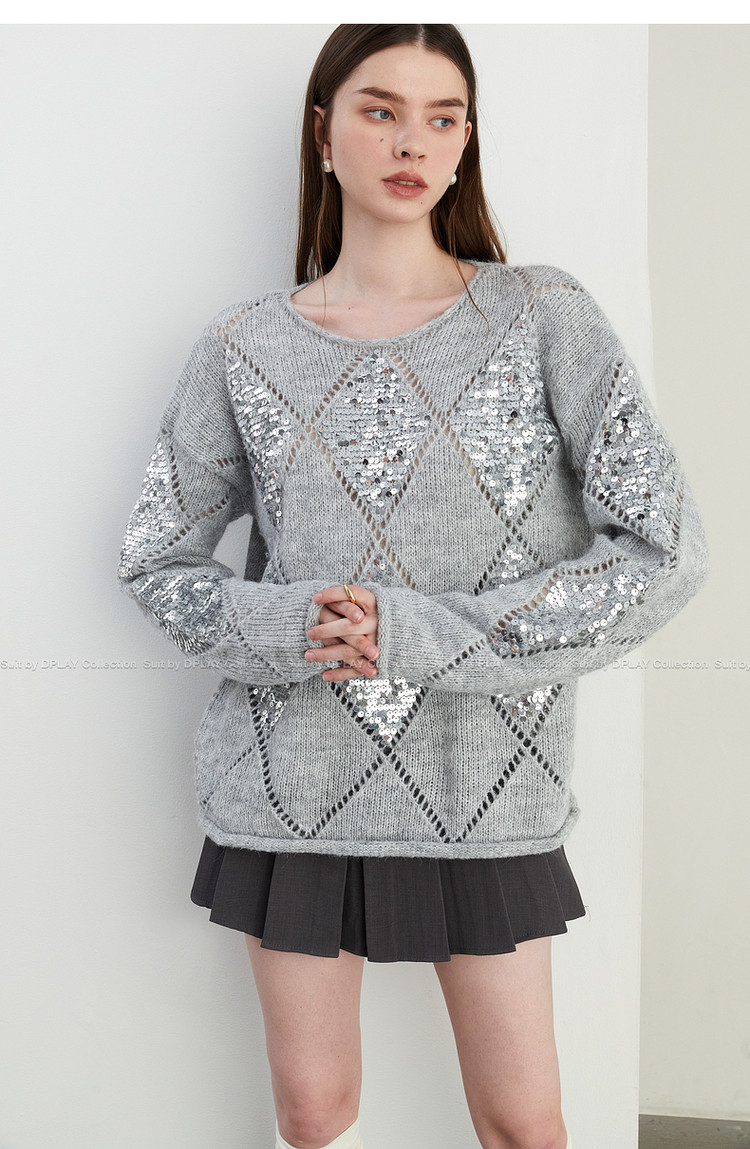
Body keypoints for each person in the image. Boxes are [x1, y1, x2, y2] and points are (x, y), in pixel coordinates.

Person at [118, 24, 709, 1149]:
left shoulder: (543, 315)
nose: (413, 142)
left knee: (524, 1123)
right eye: (381, 110)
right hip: (290, 786)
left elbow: (664, 551)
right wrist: (294, 624)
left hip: (487, 778)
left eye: (444, 118)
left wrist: (418, 633)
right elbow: (156, 559)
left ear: (466, 142)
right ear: (324, 131)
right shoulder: (242, 346)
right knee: (314, 1114)